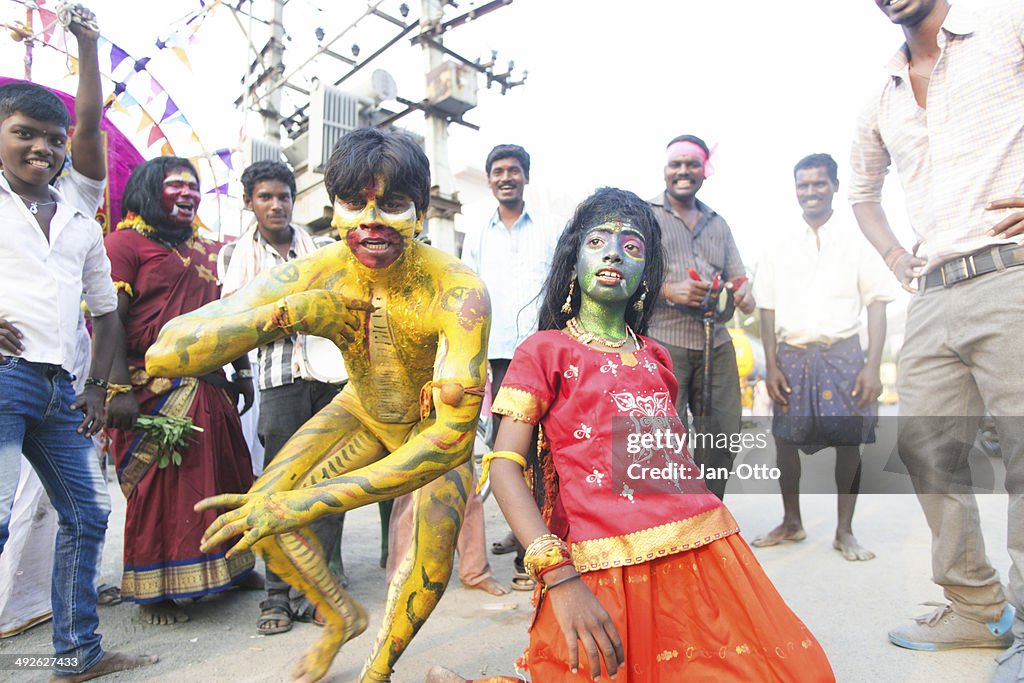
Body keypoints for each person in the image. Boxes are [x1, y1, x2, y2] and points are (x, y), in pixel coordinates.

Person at [427, 187, 834, 682]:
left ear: (647, 275)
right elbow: (505, 465)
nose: (615, 253)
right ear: (572, 260)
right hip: (599, 565)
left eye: (633, 246)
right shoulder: (545, 351)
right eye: (598, 241)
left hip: (703, 554)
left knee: (798, 673)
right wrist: (558, 577)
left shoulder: (657, 359)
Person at [145, 127, 490, 683]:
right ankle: (340, 618)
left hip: (428, 431)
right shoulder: (320, 270)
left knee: (427, 567)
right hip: (359, 411)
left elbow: (450, 440)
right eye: (355, 204)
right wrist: (290, 315)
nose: (372, 221)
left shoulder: (457, 291)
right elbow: (166, 354)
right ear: (333, 211)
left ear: (421, 213)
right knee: (262, 512)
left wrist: (306, 504)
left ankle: (377, 671)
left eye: (394, 205)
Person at [850, 0, 1024, 671]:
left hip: (1012, 272)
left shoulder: (1006, 25)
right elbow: (862, 191)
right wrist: (896, 257)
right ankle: (976, 607)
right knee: (923, 446)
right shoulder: (880, 97)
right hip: (934, 289)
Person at [0, 5, 157, 680]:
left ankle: (76, 653)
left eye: (53, 139)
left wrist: (97, 384)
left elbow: (106, 312)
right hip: (4, 378)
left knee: (88, 513)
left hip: (59, 388)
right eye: (24, 134)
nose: (44, 147)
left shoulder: (77, 214)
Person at [103, 156, 258, 626]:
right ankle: (155, 591)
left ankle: (230, 565)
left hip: (211, 388)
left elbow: (227, 317)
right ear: (150, 191)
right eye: (176, 185)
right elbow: (109, 320)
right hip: (151, 390)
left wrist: (243, 371)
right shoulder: (123, 244)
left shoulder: (209, 252)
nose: (189, 193)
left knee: (225, 480)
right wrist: (116, 390)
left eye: (194, 186)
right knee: (161, 492)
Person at [219, 159, 346, 634]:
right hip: (278, 382)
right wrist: (285, 314)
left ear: (295, 200)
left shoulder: (317, 250)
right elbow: (236, 319)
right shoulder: (240, 257)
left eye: (284, 196)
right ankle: (275, 596)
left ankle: (317, 591)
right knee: (278, 489)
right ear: (250, 202)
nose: (276, 205)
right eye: (265, 197)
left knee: (329, 487)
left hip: (327, 378)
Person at [751, 153, 893, 561]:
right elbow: (767, 309)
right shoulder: (778, 244)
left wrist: (872, 366)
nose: (811, 192)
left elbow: (877, 304)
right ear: (795, 188)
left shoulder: (859, 239)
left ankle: (844, 532)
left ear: (834, 185)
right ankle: (792, 522)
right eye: (803, 184)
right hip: (792, 355)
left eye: (819, 183)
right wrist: (772, 365)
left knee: (850, 443)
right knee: (784, 441)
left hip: (844, 353)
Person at [648, 134, 755, 499]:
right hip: (664, 339)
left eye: (691, 164)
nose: (683, 171)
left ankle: (710, 515)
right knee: (664, 436)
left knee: (722, 432)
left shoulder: (717, 223)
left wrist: (743, 292)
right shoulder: (645, 216)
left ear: (704, 171)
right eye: (675, 164)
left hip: (716, 342)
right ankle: (671, 522)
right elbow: (627, 277)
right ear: (665, 170)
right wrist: (667, 290)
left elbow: (738, 277)